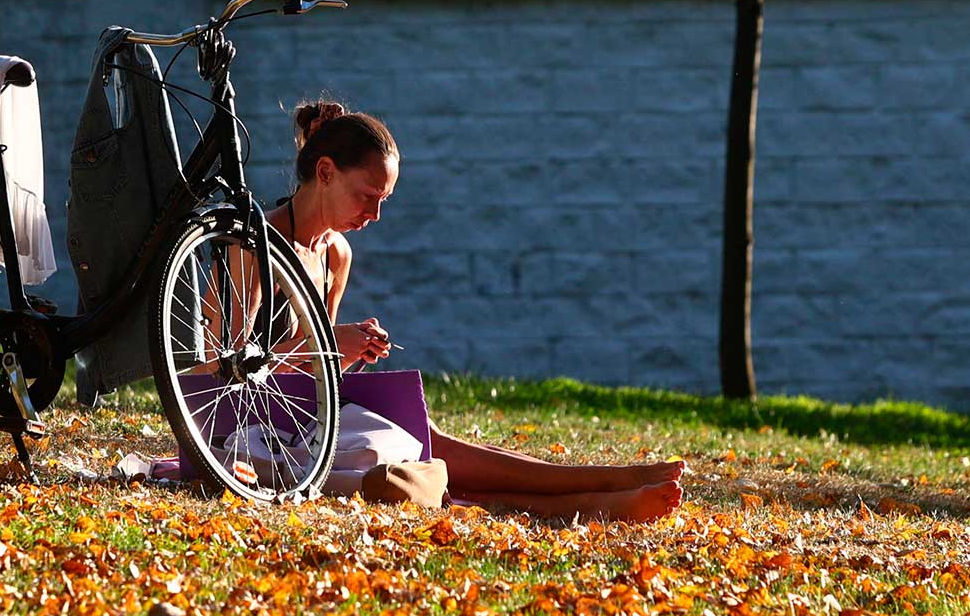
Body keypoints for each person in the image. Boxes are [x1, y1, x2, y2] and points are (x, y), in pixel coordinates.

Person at [262, 99, 685, 524]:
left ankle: (600, 495)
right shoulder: (255, 244)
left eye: (384, 199)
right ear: (325, 173)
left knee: (433, 445)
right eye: (367, 197)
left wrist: (351, 350)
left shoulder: (337, 253)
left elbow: (316, 373)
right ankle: (604, 488)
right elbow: (213, 370)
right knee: (433, 451)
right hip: (257, 427)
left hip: (313, 415)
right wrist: (332, 342)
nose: (374, 215)